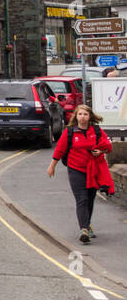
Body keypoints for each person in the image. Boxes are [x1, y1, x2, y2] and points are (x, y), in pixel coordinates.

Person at [48, 104, 113, 243]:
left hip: (93, 170)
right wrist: (52, 165)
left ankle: (87, 224)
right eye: (80, 114)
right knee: (82, 199)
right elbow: (60, 149)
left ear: (90, 117)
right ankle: (83, 229)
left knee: (90, 199)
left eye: (85, 114)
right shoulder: (70, 132)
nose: (82, 117)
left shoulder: (96, 130)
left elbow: (108, 145)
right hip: (75, 169)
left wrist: (101, 151)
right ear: (76, 116)